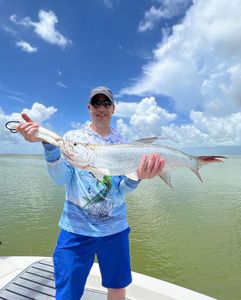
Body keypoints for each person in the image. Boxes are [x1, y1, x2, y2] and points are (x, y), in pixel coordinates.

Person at [17, 86, 164, 300]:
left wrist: (137, 176)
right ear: (89, 107)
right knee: (67, 293)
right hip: (75, 230)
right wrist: (49, 146)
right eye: (97, 103)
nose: (101, 107)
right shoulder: (73, 138)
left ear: (114, 108)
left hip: (114, 230)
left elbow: (121, 190)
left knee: (117, 287)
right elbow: (60, 179)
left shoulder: (124, 144)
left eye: (106, 103)